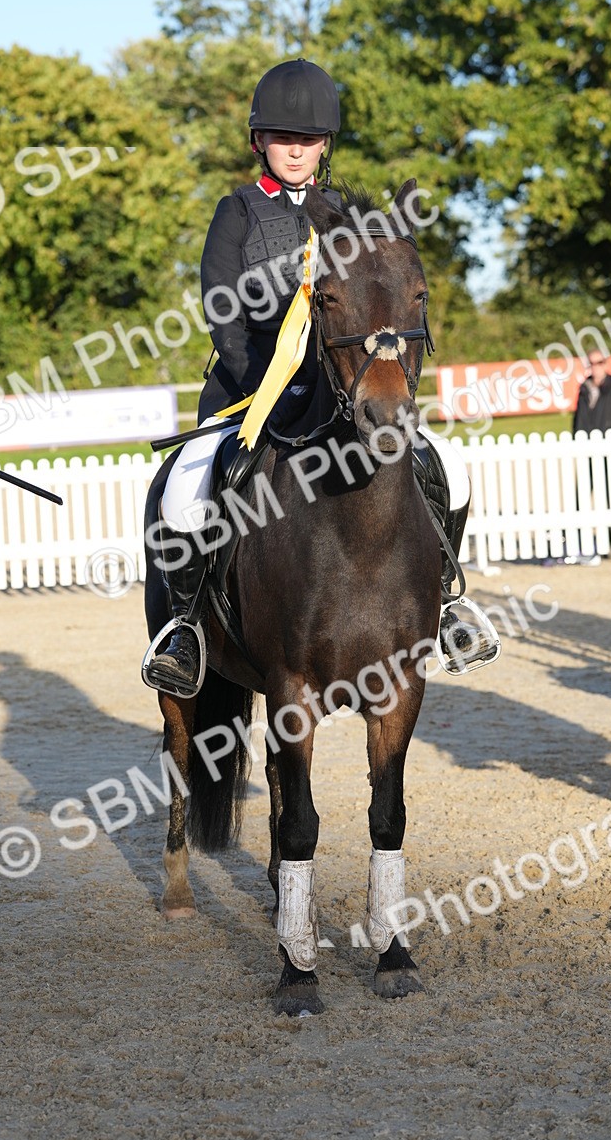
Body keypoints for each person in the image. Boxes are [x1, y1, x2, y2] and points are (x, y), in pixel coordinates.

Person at [143, 59, 498, 696]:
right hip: (249, 395)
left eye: (307, 140)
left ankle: (444, 601)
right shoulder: (239, 213)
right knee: (186, 488)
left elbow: (381, 300)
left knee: (450, 467)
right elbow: (222, 313)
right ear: (260, 143)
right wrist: (268, 385)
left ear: (324, 145)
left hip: (347, 393)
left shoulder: (348, 216)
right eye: (283, 139)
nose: (296, 150)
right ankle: (189, 630)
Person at [573, 352, 611, 435]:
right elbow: (578, 421)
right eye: (591, 363)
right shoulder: (584, 388)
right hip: (587, 443)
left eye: (599, 363)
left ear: (606, 364)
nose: (595, 367)